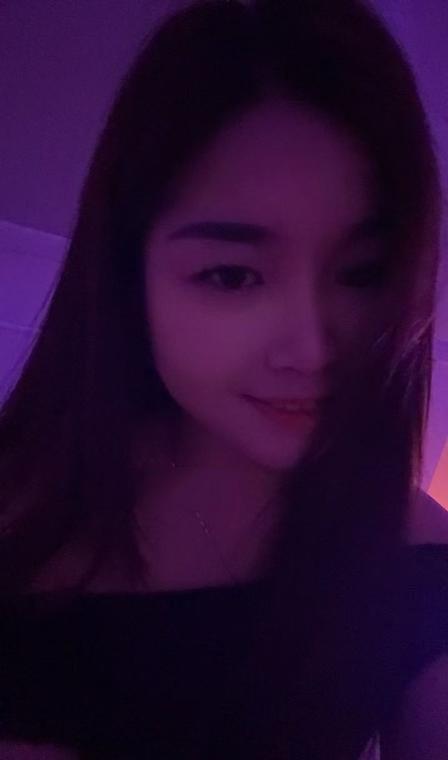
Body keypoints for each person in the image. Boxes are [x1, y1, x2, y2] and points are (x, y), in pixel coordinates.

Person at [0, 0, 447, 757]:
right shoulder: (21, 510)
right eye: (233, 276)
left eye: (364, 272)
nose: (313, 349)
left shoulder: (412, 556)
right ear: (129, 276)